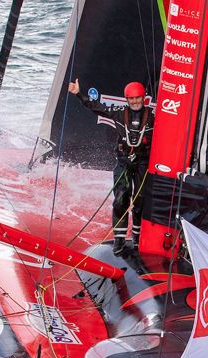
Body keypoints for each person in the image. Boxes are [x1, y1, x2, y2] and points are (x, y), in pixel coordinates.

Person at [68, 78, 154, 256]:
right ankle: (120, 241)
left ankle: (137, 239)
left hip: (142, 163)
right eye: (131, 99)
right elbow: (95, 107)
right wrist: (78, 94)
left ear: (144, 98)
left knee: (140, 201)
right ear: (127, 100)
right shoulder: (119, 113)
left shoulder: (153, 116)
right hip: (123, 162)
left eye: (138, 98)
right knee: (121, 199)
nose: (135, 102)